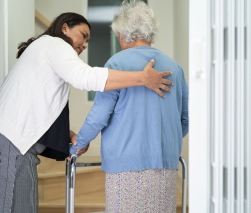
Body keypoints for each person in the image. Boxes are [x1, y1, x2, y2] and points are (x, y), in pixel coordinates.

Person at [0, 12, 173, 213]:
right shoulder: (54, 44)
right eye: (83, 35)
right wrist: (143, 78)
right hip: (9, 142)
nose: (85, 44)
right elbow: (85, 77)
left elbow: (40, 106)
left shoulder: (47, 50)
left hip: (13, 143)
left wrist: (69, 136)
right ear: (65, 28)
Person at [70, 1, 189, 212]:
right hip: (166, 165)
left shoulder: (117, 64)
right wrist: (163, 143)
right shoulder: (175, 68)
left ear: (123, 35)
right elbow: (185, 119)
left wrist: (79, 143)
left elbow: (99, 115)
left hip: (126, 168)